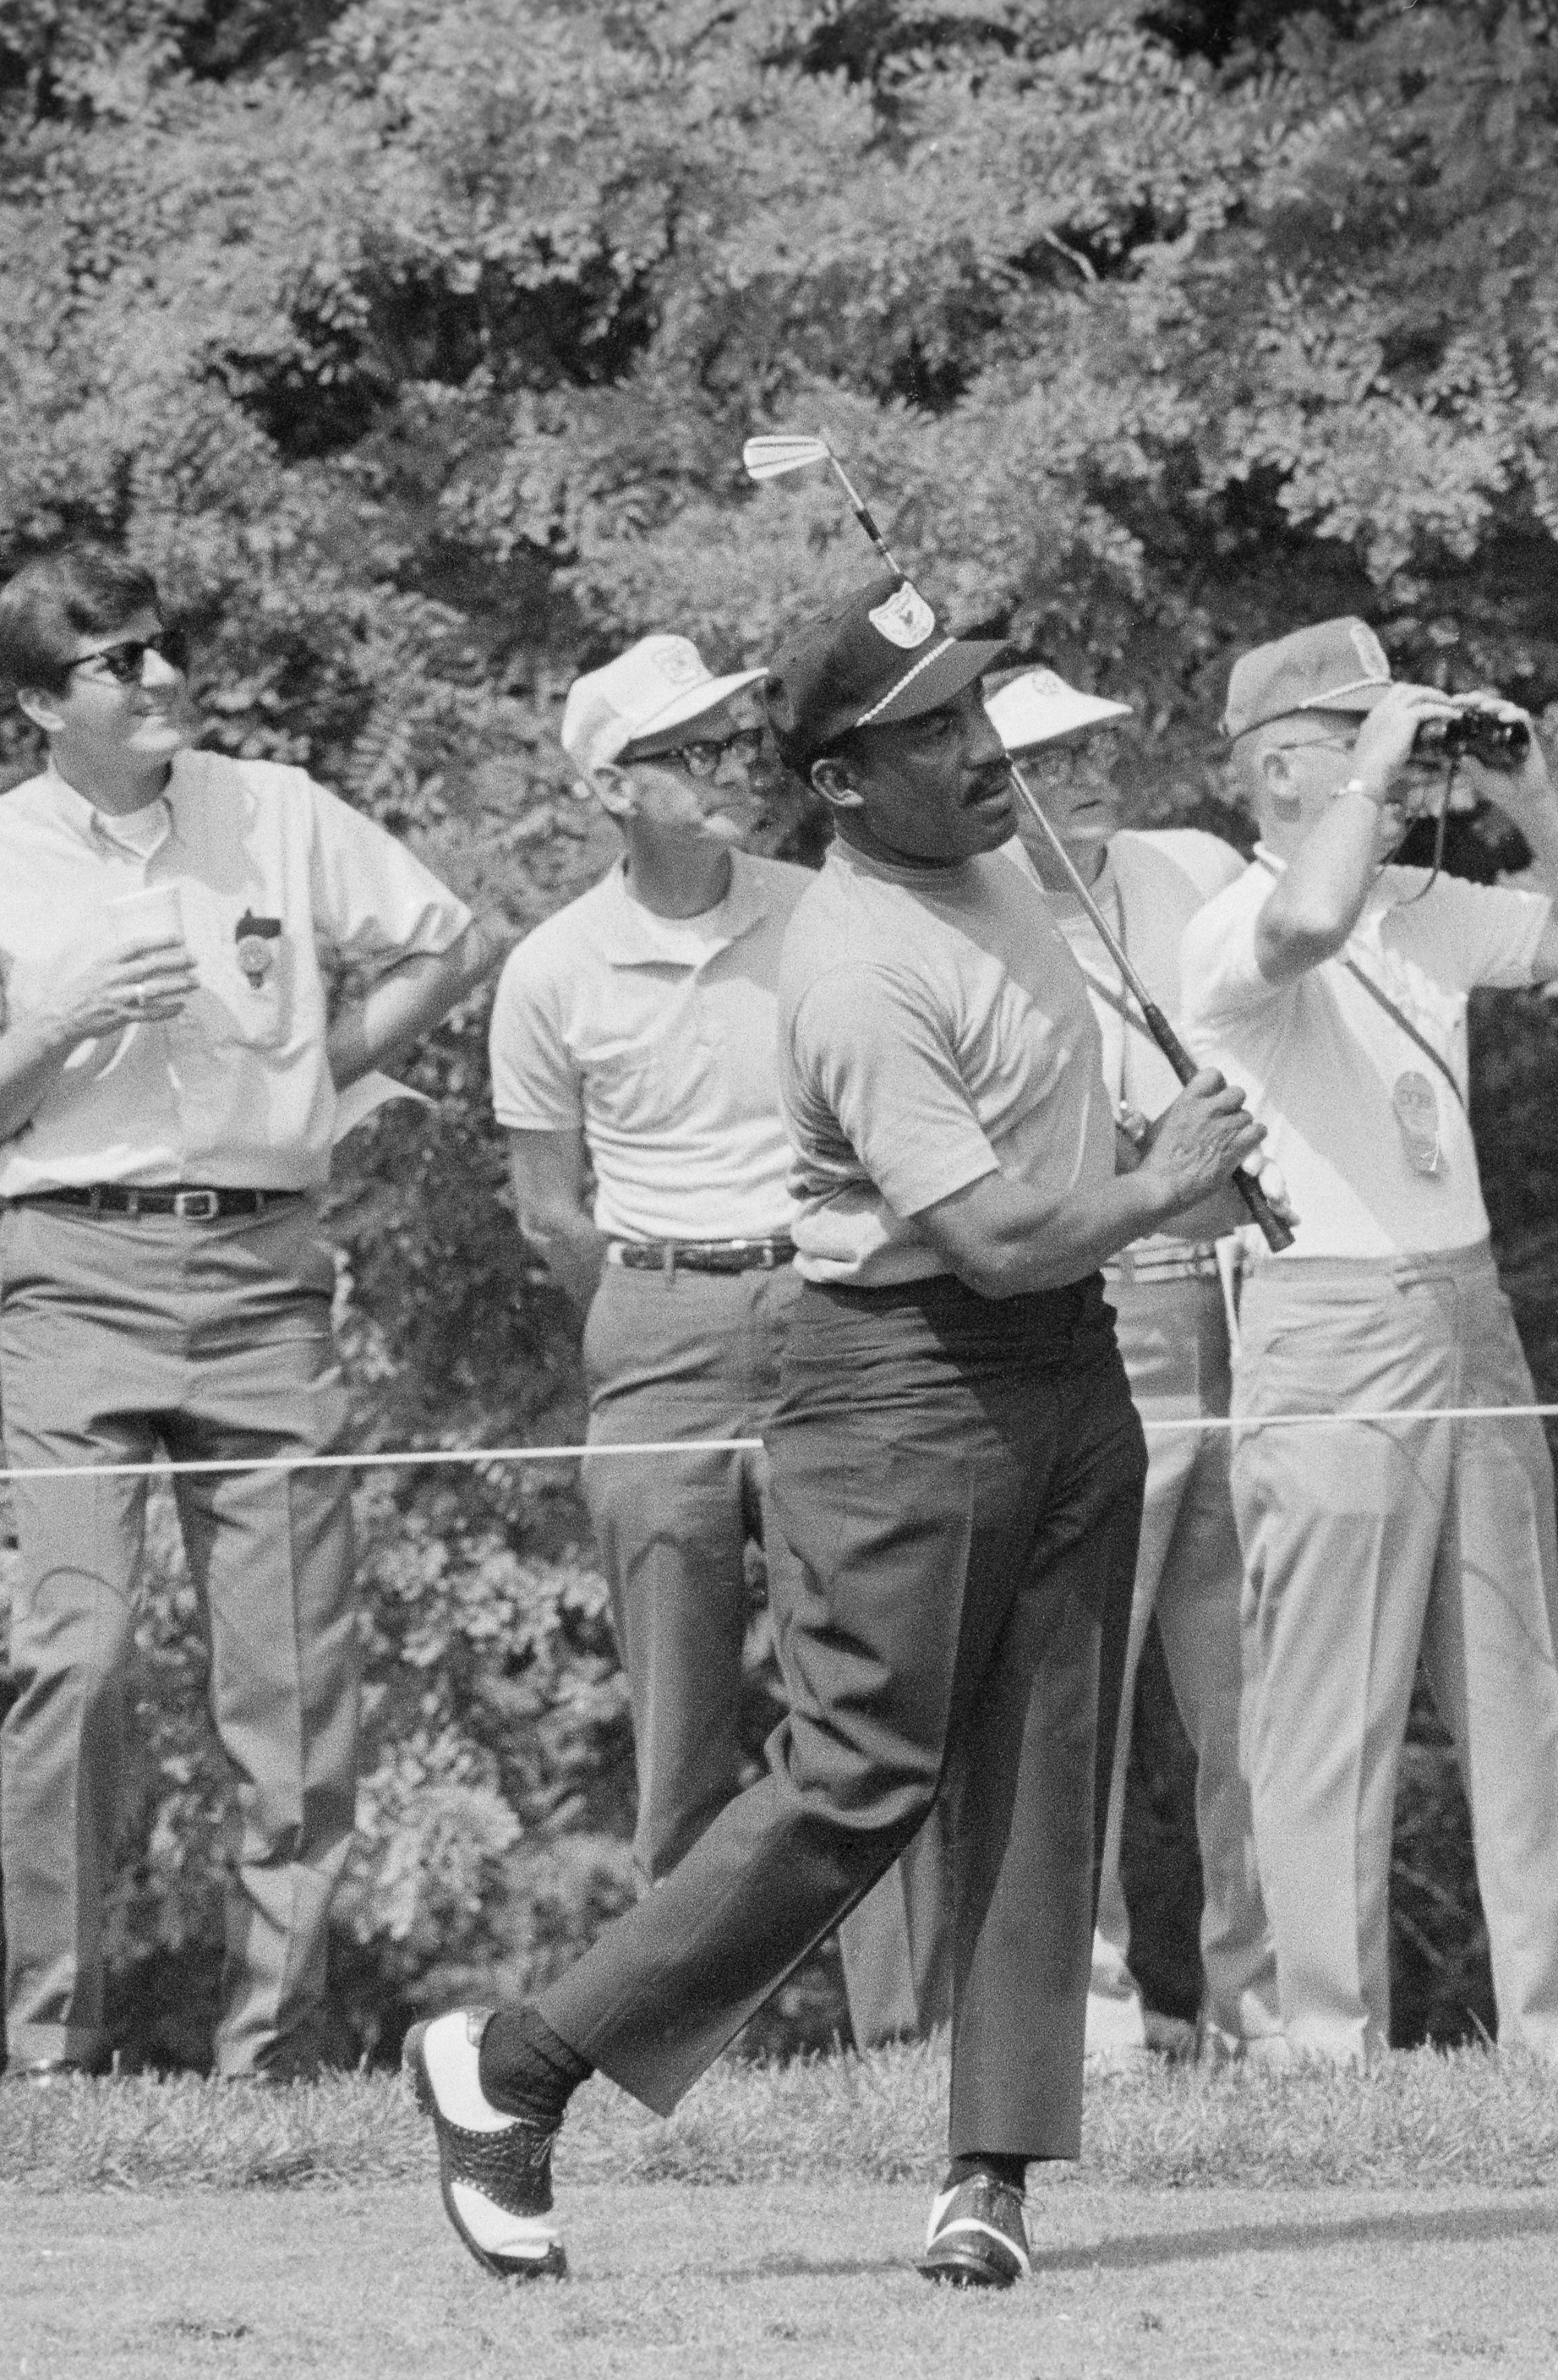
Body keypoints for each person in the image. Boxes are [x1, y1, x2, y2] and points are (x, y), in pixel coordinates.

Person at [407, 571, 1263, 2291]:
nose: (977, 747)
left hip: (1064, 1369)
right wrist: (1166, 1189)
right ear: (842, 782)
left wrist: (1150, 1127)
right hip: (903, 1381)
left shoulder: (1005, 871)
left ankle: (991, 2170)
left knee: (1045, 1760)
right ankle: (512, 2066)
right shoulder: (855, 965)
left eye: (975, 708)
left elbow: (1045, 1136)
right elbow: (995, 1234)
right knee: (859, 1774)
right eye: (928, 730)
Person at [0, 551, 501, 2082]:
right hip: (70, 1268)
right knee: (80, 1658)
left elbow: (453, 937)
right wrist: (64, 1019)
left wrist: (314, 1073)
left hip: (263, 1271)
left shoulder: (279, 809)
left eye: (166, 646)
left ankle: (270, 2052)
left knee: (293, 1681)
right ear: (41, 702)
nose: (163, 678)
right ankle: (54, 2056)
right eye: (119, 661)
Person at [1178, 619, 1558, 2068]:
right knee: (1327, 1700)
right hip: (1328, 1316)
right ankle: (1322, 2038)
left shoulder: (1425, 906)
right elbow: (1305, 931)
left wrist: (1534, 805)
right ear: (1278, 769)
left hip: (1466, 1302)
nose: (1401, 752)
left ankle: (1557, 2033)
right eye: (1356, 730)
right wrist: (1376, 780)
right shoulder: (1234, 923)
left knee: (1514, 1679)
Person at [487, 632, 934, 2053]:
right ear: (610, 788)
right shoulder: (551, 969)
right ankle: (669, 2042)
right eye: (686, 752)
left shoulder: (823, 908)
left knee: (861, 1698)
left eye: (731, 743)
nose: (727, 768)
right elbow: (552, 1214)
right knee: (680, 1727)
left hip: (834, 1312)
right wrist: (661, 1310)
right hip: (657, 1326)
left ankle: (903, 2048)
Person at [992, 662, 1275, 2071]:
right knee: (1081, 1691)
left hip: (1250, 1307)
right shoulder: (968, 914)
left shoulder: (1194, 868)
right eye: (1051, 756)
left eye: (1101, 742)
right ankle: (1089, 2012)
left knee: (1255, 1695)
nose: (1093, 769)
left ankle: (1262, 2006)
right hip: (1099, 1314)